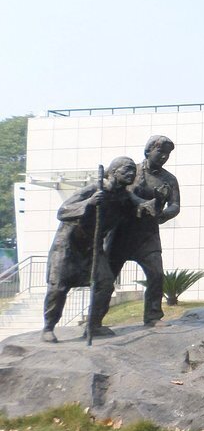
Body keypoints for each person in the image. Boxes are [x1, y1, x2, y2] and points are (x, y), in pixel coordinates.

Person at [41, 157, 143, 342]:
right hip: (68, 245)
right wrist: (89, 202)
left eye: (133, 171)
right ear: (113, 172)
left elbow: (134, 209)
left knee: (105, 283)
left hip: (93, 247)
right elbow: (62, 211)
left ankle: (94, 325)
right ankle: (48, 327)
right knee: (58, 287)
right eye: (126, 170)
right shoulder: (95, 189)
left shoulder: (123, 197)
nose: (131, 174)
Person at [107, 135, 181, 327]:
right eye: (160, 152)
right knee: (107, 277)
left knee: (156, 275)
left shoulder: (169, 179)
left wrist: (163, 214)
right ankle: (95, 321)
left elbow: (175, 205)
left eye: (168, 153)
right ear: (148, 151)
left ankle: (153, 316)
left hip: (148, 234)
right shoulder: (131, 171)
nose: (164, 156)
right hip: (122, 233)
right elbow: (115, 192)